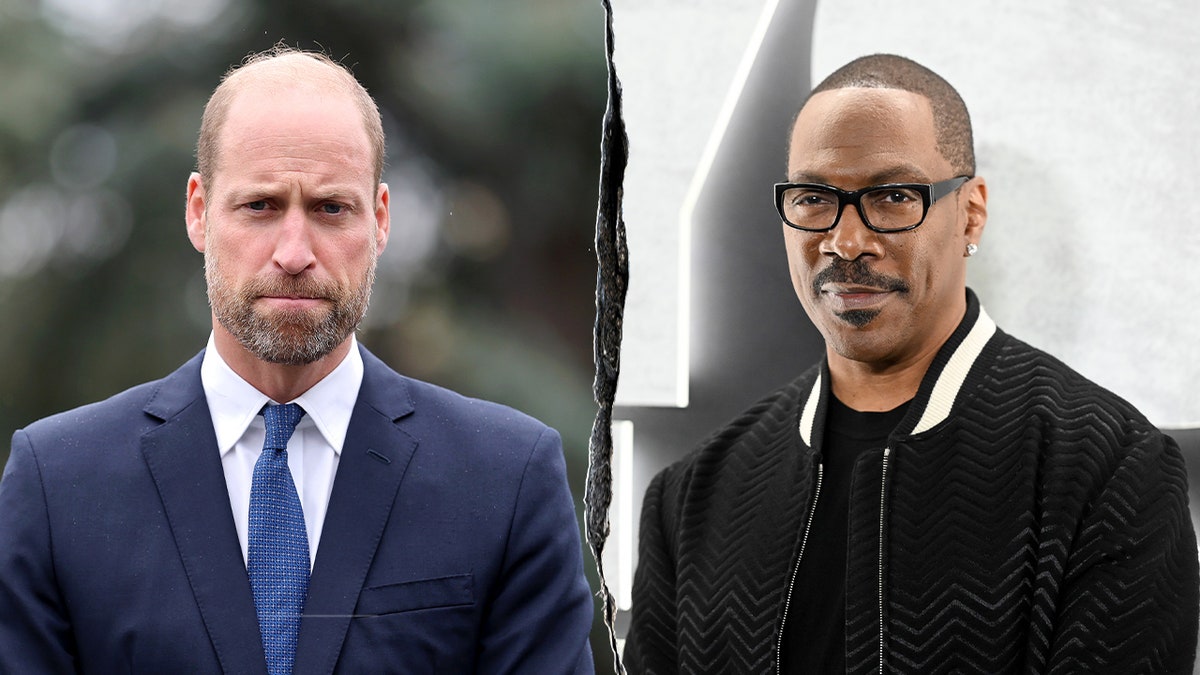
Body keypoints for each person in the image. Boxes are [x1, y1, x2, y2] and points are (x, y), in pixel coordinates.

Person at [0, 46, 594, 673]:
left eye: (329, 209)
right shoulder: (59, 484)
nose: (293, 252)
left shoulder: (504, 479)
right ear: (199, 212)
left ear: (381, 220)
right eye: (260, 206)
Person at [623, 53, 1198, 674]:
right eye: (815, 198)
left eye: (894, 196)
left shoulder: (1108, 467)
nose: (846, 242)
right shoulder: (693, 496)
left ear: (971, 212)